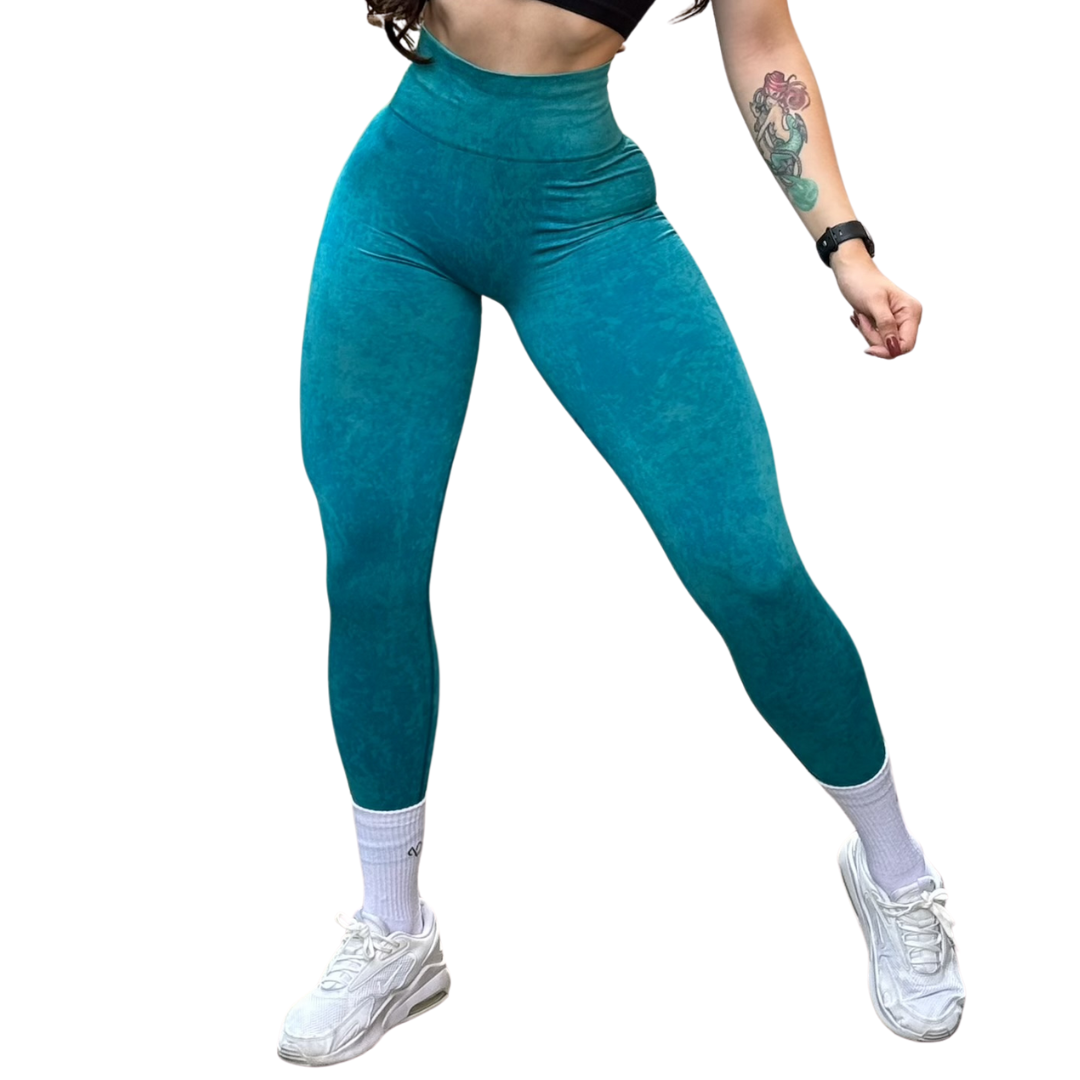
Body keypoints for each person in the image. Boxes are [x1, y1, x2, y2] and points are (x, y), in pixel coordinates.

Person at [278, 0, 965, 1064]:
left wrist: (844, 245)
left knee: (749, 565)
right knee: (369, 564)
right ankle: (394, 927)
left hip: (583, 216)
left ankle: (895, 869)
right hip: (401, 201)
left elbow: (763, 42)